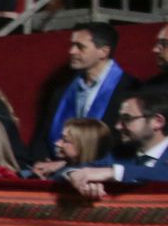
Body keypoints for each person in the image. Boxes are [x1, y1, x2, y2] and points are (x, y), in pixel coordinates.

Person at [41, 24, 137, 159]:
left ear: (103, 52)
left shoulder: (131, 89)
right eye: (72, 45)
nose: (72, 51)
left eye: (80, 47)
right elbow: (43, 134)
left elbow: (127, 140)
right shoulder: (62, 90)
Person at [58, 89, 168, 197]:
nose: (118, 126)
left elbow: (162, 173)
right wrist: (76, 175)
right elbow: (78, 170)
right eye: (119, 118)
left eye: (127, 119)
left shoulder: (114, 166)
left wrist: (114, 172)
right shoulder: (119, 153)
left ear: (158, 122)